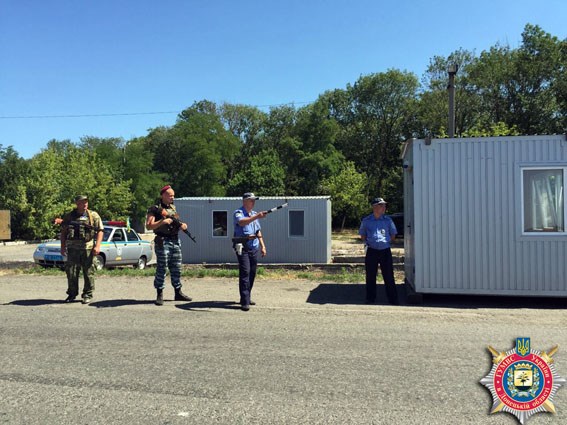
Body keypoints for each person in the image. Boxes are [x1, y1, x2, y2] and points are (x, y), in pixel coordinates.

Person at [146, 185, 192, 306]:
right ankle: (159, 294)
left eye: (173, 195)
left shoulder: (172, 208)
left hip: (175, 240)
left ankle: (178, 292)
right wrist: (162, 221)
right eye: (170, 195)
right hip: (163, 241)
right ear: (164, 195)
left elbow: (176, 220)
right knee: (162, 268)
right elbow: (149, 226)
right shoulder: (154, 209)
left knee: (176, 267)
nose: (173, 197)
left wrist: (182, 225)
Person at [60, 195, 104, 304]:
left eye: (86, 202)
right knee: (71, 273)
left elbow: (100, 231)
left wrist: (97, 246)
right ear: (77, 203)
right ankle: (72, 294)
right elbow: (64, 232)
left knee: (89, 272)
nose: (84, 204)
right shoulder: (70, 216)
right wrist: (62, 246)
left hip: (87, 248)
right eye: (81, 202)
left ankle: (87, 294)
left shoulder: (93, 215)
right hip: (72, 248)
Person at [359, 197, 399, 305]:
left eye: (384, 205)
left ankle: (393, 299)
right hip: (372, 251)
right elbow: (362, 234)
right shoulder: (366, 221)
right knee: (370, 275)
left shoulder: (388, 220)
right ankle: (370, 298)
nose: (384, 207)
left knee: (388, 275)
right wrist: (368, 243)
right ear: (375, 207)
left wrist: (385, 242)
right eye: (382, 205)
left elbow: (393, 234)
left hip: (385, 251)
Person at [233, 192, 267, 311]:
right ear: (245, 201)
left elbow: (258, 231)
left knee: (252, 272)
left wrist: (263, 246)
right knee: (245, 272)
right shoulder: (238, 212)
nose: (253, 202)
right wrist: (257, 216)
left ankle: (247, 296)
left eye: (254, 200)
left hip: (254, 247)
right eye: (251, 200)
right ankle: (244, 301)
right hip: (242, 246)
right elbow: (242, 222)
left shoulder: (253, 214)